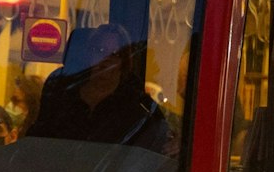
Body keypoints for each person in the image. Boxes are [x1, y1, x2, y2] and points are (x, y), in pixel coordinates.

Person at [23, 24, 171, 151]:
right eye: (100, 50)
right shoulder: (61, 91)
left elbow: (161, 138)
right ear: (88, 54)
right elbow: (40, 136)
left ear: (124, 62)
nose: (105, 60)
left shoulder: (135, 102)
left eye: (114, 54)